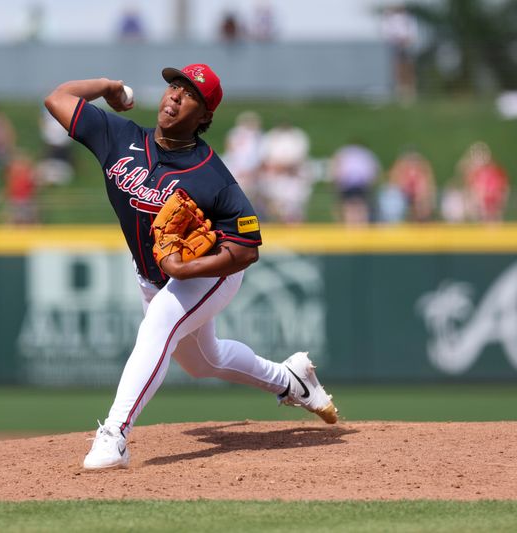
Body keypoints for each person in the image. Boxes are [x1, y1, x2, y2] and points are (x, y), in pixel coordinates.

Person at [44, 63, 337, 471]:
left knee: (159, 323)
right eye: (174, 87)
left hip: (211, 273)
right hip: (154, 275)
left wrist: (187, 271)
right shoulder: (119, 136)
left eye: (190, 94)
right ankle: (292, 380)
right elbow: (58, 98)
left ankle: (114, 434)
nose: (176, 96)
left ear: (205, 116)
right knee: (204, 362)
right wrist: (108, 86)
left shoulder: (212, 176)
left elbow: (248, 248)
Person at [329, 140, 380, 225]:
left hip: (346, 183)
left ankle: (348, 223)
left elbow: (335, 168)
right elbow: (374, 171)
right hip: (361, 184)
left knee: (348, 206)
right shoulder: (366, 153)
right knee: (361, 206)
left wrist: (335, 184)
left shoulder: (343, 151)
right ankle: (361, 223)